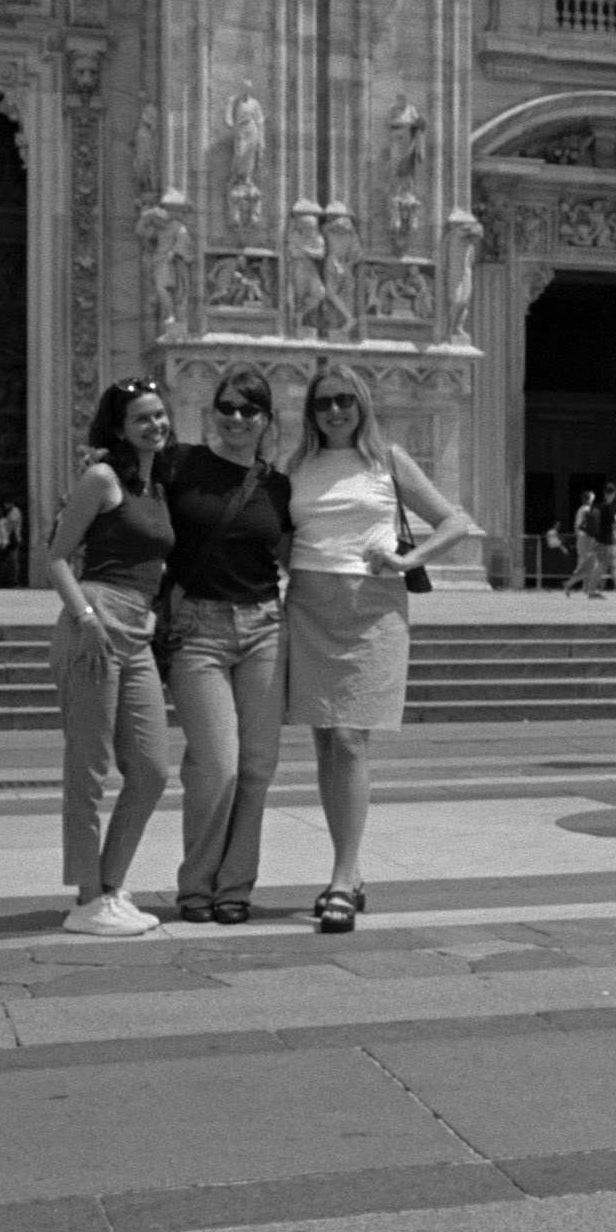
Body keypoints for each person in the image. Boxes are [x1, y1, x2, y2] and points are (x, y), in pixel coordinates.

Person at [285, 364, 478, 932]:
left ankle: (341, 879)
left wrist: (407, 559)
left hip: (371, 607)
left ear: (363, 404)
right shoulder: (296, 465)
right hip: (309, 603)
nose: (335, 411)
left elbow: (456, 521)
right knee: (327, 742)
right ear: (311, 411)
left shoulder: (388, 460)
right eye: (324, 402)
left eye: (345, 400)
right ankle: (350, 869)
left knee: (350, 739)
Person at [163, 365, 292, 925]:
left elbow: (298, 554)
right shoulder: (180, 464)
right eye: (227, 407)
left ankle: (235, 885)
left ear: (267, 419)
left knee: (257, 767)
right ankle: (196, 886)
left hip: (264, 627)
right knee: (217, 765)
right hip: (198, 630)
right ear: (212, 411)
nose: (236, 418)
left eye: (249, 409)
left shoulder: (277, 486)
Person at [46, 379, 174, 936]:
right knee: (89, 767)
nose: (155, 425)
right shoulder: (101, 478)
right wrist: (87, 618)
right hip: (94, 622)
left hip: (138, 630)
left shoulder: (157, 485)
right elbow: (56, 556)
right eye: (142, 418)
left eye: (160, 414)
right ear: (119, 428)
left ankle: (111, 883)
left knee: (150, 768)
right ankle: (88, 896)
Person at [562, 490, 598, 596]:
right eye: (592, 497)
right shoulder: (586, 509)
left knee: (586, 564)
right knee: (590, 565)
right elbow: (581, 525)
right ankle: (570, 584)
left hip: (584, 539)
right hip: (586, 538)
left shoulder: (582, 509)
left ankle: (585, 587)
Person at [594, 480, 616, 596]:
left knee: (612, 567)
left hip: (607, 541)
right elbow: (614, 525)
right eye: (611, 492)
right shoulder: (608, 507)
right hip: (606, 541)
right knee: (603, 566)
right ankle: (593, 589)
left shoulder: (603, 507)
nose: (612, 494)